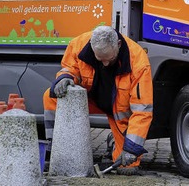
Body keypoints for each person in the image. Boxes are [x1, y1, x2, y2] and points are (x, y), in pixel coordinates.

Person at [43, 25, 153, 175]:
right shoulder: (78, 44)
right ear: (91, 47)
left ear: (118, 45)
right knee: (51, 96)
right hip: (90, 100)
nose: (105, 64)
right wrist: (65, 77)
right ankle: (52, 149)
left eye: (110, 59)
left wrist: (131, 149)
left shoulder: (138, 62)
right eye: (100, 59)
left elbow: (142, 110)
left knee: (128, 167)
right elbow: (70, 67)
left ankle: (116, 142)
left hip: (119, 111)